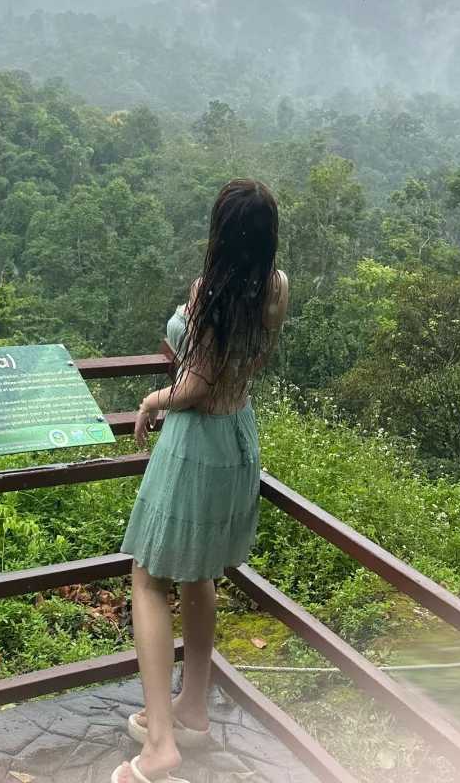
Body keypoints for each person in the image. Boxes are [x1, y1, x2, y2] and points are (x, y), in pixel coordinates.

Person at [112, 179, 289, 783]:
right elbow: (246, 363)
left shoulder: (208, 293)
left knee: (148, 575)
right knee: (201, 571)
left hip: (196, 444)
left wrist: (152, 399)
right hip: (240, 437)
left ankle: (160, 745)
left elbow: (195, 388)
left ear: (221, 232)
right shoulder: (276, 287)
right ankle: (191, 710)